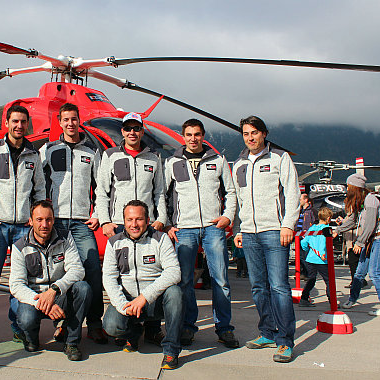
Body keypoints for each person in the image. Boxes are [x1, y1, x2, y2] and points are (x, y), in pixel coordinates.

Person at [0, 104, 46, 349]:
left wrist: (34, 219)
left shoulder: (33, 154)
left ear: (28, 125)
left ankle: (18, 327)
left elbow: (40, 189)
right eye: (15, 121)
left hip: (24, 229)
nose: (19, 126)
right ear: (7, 123)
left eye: (23, 122)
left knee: (20, 282)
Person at [164, 119, 238, 348]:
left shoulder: (218, 160)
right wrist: (167, 224)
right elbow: (161, 195)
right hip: (184, 228)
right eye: (188, 134)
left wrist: (228, 216)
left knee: (221, 279)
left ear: (203, 135)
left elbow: (232, 191)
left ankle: (224, 328)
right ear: (182, 136)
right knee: (185, 281)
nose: (193, 138)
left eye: (197, 134)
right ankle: (187, 326)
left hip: (212, 227)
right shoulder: (172, 162)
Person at [232, 116, 300, 363]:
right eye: (246, 133)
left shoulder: (280, 158)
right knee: (258, 287)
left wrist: (287, 225)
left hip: (275, 231)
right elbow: (238, 200)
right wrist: (239, 229)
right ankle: (267, 333)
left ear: (264, 133)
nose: (250, 137)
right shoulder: (238, 164)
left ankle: (285, 341)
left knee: (279, 286)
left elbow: (292, 193)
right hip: (249, 233)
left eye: (254, 133)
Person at [96, 111, 168, 345]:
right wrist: (105, 221)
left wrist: (162, 219)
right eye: (127, 128)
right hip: (119, 224)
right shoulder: (110, 156)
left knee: (150, 271)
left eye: (136, 128)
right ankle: (127, 326)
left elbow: (160, 192)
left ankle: (152, 327)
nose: (132, 132)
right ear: (123, 131)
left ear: (142, 130)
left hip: (147, 225)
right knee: (123, 274)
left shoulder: (154, 157)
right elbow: (102, 192)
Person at [39, 103, 106, 344]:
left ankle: (95, 323)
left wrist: (98, 212)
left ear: (79, 121)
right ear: (60, 122)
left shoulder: (91, 152)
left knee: (92, 270)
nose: (70, 123)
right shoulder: (48, 150)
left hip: (80, 222)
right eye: (66, 119)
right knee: (59, 273)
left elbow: (102, 187)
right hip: (56, 222)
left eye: (74, 119)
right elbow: (37, 183)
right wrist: (41, 214)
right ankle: (62, 323)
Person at [102, 200, 182, 370]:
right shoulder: (114, 242)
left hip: (154, 302)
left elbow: (174, 272)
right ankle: (134, 333)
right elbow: (108, 277)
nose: (134, 224)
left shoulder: (161, 239)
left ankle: (171, 350)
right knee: (110, 326)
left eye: (139, 219)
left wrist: (145, 297)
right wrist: (123, 305)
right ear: (123, 221)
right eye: (129, 220)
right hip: (128, 302)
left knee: (175, 293)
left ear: (147, 220)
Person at [10, 200, 91, 361]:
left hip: (58, 294)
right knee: (26, 319)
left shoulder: (65, 238)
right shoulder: (20, 247)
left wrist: (54, 290)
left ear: (54, 220)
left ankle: (71, 342)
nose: (44, 224)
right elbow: (16, 285)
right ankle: (31, 338)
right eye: (39, 220)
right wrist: (42, 302)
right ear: (31, 221)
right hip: (34, 298)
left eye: (48, 219)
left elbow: (77, 270)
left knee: (83, 288)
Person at [335, 174, 380, 317]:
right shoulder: (361, 201)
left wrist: (360, 242)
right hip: (371, 240)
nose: (347, 189)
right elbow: (352, 221)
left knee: (374, 273)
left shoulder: (370, 200)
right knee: (359, 273)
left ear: (355, 187)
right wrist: (337, 230)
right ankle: (352, 299)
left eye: (349, 186)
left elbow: (370, 225)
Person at [298, 207, 333, 307]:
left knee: (311, 279)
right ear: (328, 218)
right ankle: (332, 300)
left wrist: (307, 250)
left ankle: (304, 298)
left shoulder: (312, 228)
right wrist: (322, 253)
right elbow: (323, 242)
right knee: (328, 280)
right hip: (322, 259)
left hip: (310, 258)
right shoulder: (326, 229)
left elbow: (304, 242)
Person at [295, 193, 318, 280]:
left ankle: (310, 274)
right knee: (300, 256)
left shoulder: (312, 211)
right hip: (299, 235)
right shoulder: (300, 211)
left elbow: (315, 223)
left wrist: (309, 232)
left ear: (306, 200)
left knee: (306, 255)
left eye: (300, 199)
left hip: (307, 236)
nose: (299, 201)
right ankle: (303, 273)